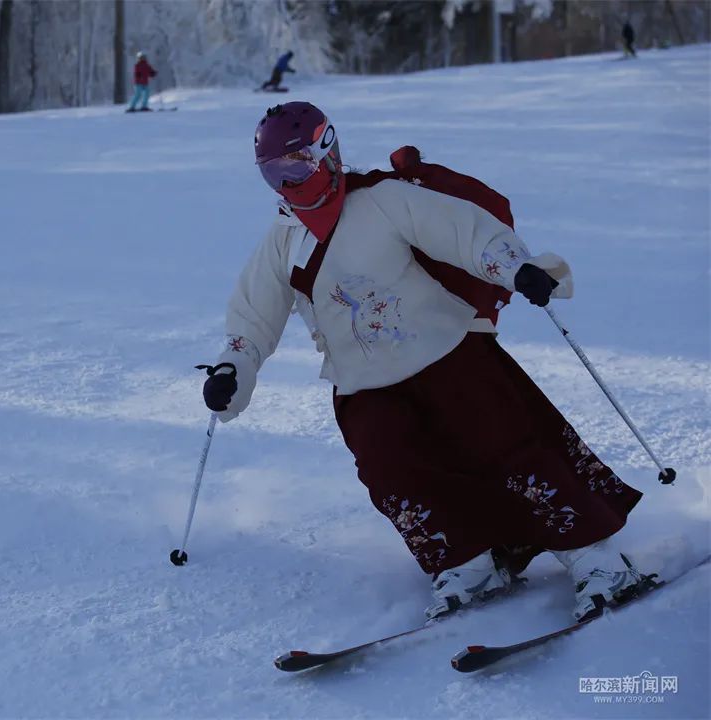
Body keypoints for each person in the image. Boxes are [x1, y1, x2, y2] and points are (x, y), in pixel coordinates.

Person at [199, 102, 646, 623]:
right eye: (273, 173)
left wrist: (517, 268)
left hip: (449, 357)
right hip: (362, 384)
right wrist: (233, 369)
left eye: (294, 166)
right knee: (393, 471)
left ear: (327, 152)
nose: (286, 183)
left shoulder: (382, 201)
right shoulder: (283, 241)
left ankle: (595, 559)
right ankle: (469, 562)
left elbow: (462, 231)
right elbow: (253, 317)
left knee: (512, 451)